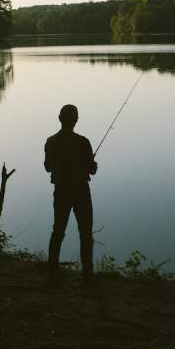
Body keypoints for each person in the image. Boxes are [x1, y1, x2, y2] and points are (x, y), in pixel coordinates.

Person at [44, 104, 98, 282]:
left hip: (60, 190)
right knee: (85, 232)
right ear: (76, 120)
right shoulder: (83, 142)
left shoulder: (51, 141)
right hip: (81, 190)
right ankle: (87, 272)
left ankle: (52, 268)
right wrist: (93, 164)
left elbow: (47, 167)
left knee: (58, 230)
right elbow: (92, 169)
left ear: (60, 119)